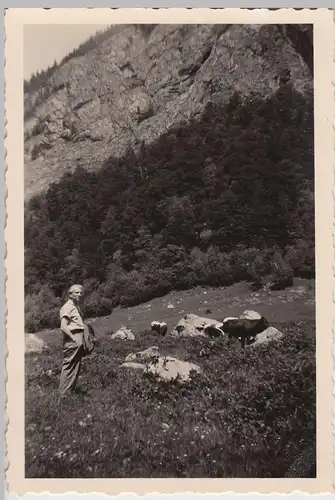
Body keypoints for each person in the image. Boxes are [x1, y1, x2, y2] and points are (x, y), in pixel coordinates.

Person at [59, 284, 95, 396]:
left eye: (80, 293)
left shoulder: (75, 307)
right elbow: (63, 326)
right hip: (72, 339)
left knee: (75, 367)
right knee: (69, 366)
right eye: (76, 292)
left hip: (77, 339)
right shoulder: (67, 307)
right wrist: (74, 338)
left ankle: (69, 392)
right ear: (70, 294)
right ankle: (63, 394)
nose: (79, 294)